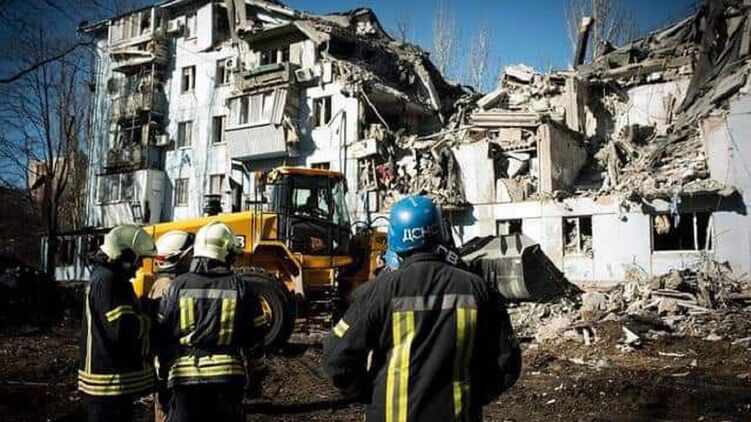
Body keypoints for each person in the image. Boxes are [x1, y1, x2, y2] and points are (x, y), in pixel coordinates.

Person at [322, 195, 522, 422]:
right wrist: (476, 397)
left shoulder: (378, 291)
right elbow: (507, 362)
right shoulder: (477, 289)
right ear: (439, 232)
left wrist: (365, 392)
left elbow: (336, 357)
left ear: (394, 238)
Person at [156, 221, 267, 422]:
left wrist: (163, 373)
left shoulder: (176, 286)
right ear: (227, 254)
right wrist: (257, 376)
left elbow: (162, 335)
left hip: (185, 381)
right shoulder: (242, 288)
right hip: (229, 381)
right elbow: (256, 339)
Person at [78, 225, 158, 422]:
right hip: (109, 382)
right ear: (126, 256)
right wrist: (149, 318)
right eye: (138, 261)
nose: (138, 267)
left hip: (111, 382)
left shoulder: (105, 277)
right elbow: (122, 329)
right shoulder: (110, 281)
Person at [148, 230, 194, 422]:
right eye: (190, 254)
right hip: (169, 368)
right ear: (179, 258)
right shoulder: (170, 287)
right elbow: (163, 331)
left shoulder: (161, 284)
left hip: (165, 367)